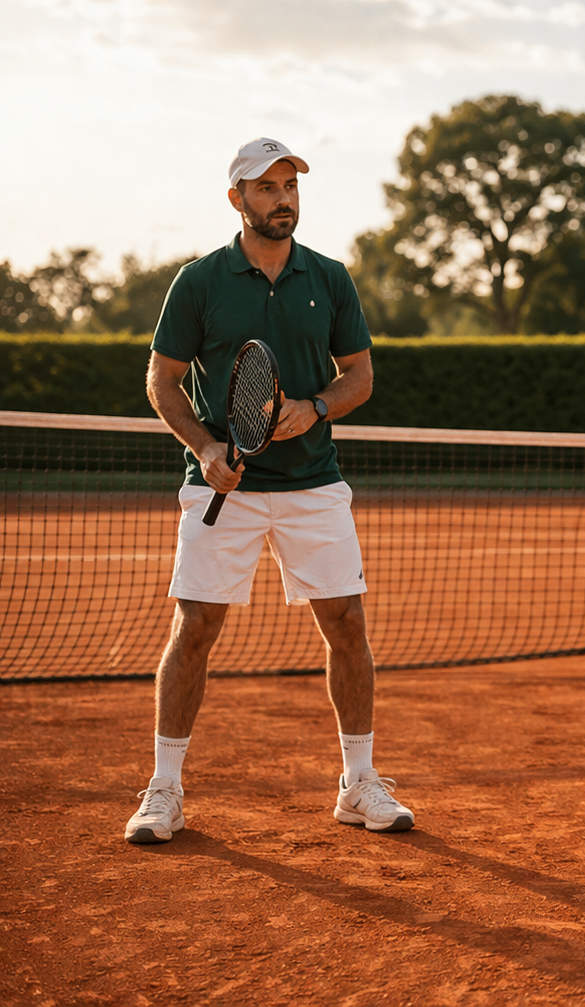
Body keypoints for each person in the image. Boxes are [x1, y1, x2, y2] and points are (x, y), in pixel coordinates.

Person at [123, 138, 413, 844]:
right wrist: (206, 446)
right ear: (237, 199)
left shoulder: (331, 276)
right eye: (266, 187)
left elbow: (360, 376)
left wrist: (314, 407)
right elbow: (161, 381)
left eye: (290, 185)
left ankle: (358, 783)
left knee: (346, 625)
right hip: (224, 484)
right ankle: (164, 790)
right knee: (194, 629)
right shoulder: (198, 280)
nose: (282, 197)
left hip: (314, 482)